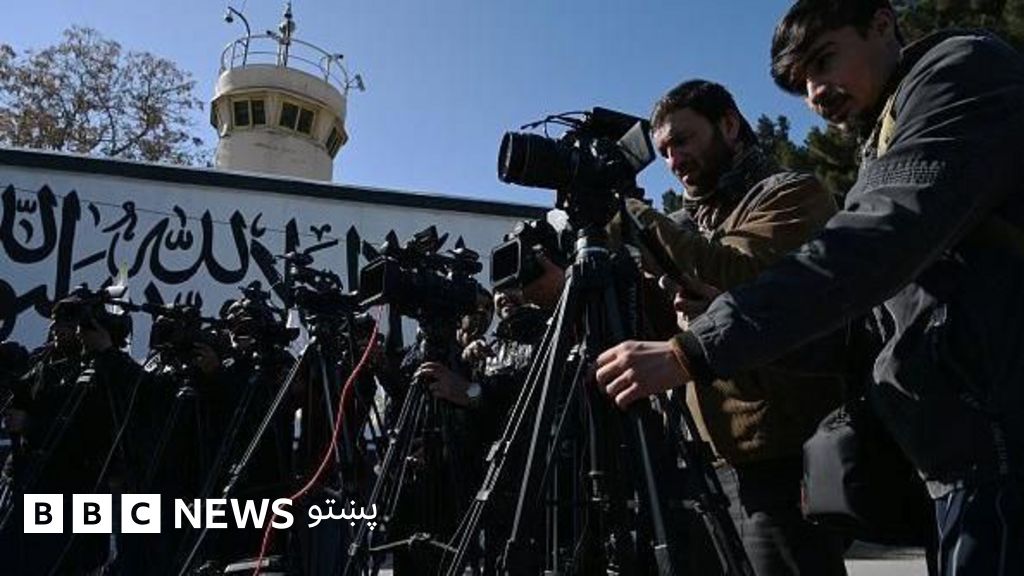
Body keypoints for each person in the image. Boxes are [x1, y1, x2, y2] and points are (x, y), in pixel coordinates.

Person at [596, 2, 1024, 574]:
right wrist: (708, 329)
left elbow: (867, 247)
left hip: (999, 447)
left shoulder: (960, 73)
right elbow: (860, 328)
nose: (816, 93)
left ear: (881, 22)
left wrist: (694, 347)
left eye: (823, 61)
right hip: (958, 458)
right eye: (801, 85)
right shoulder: (882, 141)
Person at [618, 79, 849, 575]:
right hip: (714, 459)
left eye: (683, 140)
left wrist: (636, 219)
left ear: (728, 124)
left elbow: (739, 275)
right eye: (663, 151)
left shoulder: (792, 193)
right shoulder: (692, 224)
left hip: (783, 454)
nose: (674, 160)